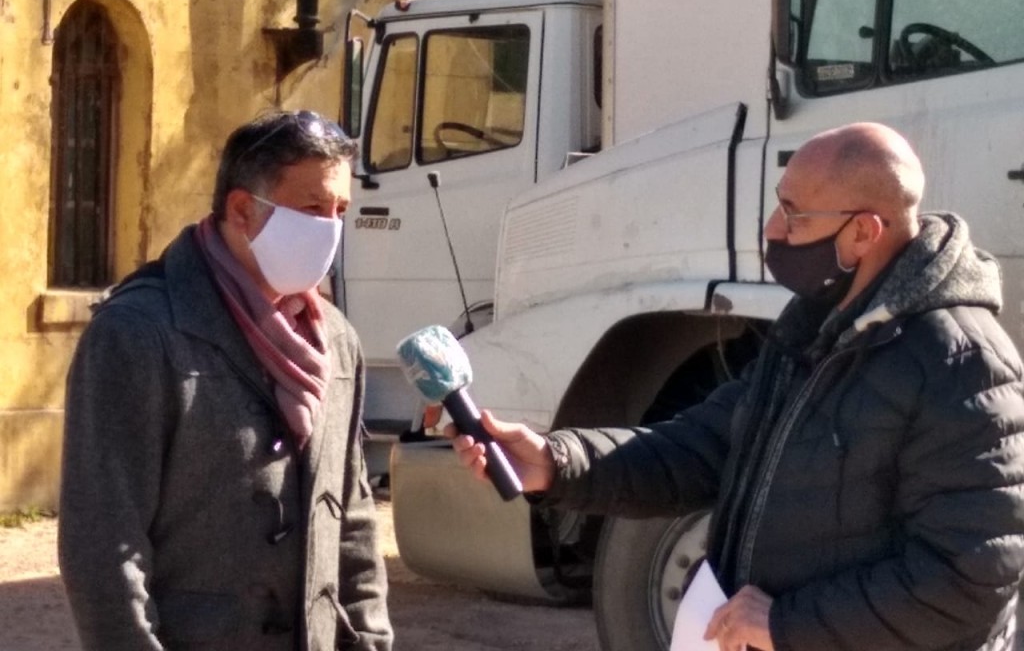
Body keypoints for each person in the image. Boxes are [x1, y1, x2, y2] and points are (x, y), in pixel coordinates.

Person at [449, 122, 1024, 651]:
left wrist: (786, 624)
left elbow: (971, 578)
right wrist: (556, 462)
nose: (773, 230)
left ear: (863, 233)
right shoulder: (812, 328)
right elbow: (701, 446)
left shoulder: (962, 364)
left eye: (794, 215)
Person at [59, 111, 393, 651]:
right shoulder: (138, 334)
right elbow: (104, 545)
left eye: (340, 211)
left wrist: (370, 637)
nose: (330, 229)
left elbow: (351, 520)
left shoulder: (335, 340)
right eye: (313, 209)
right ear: (242, 210)